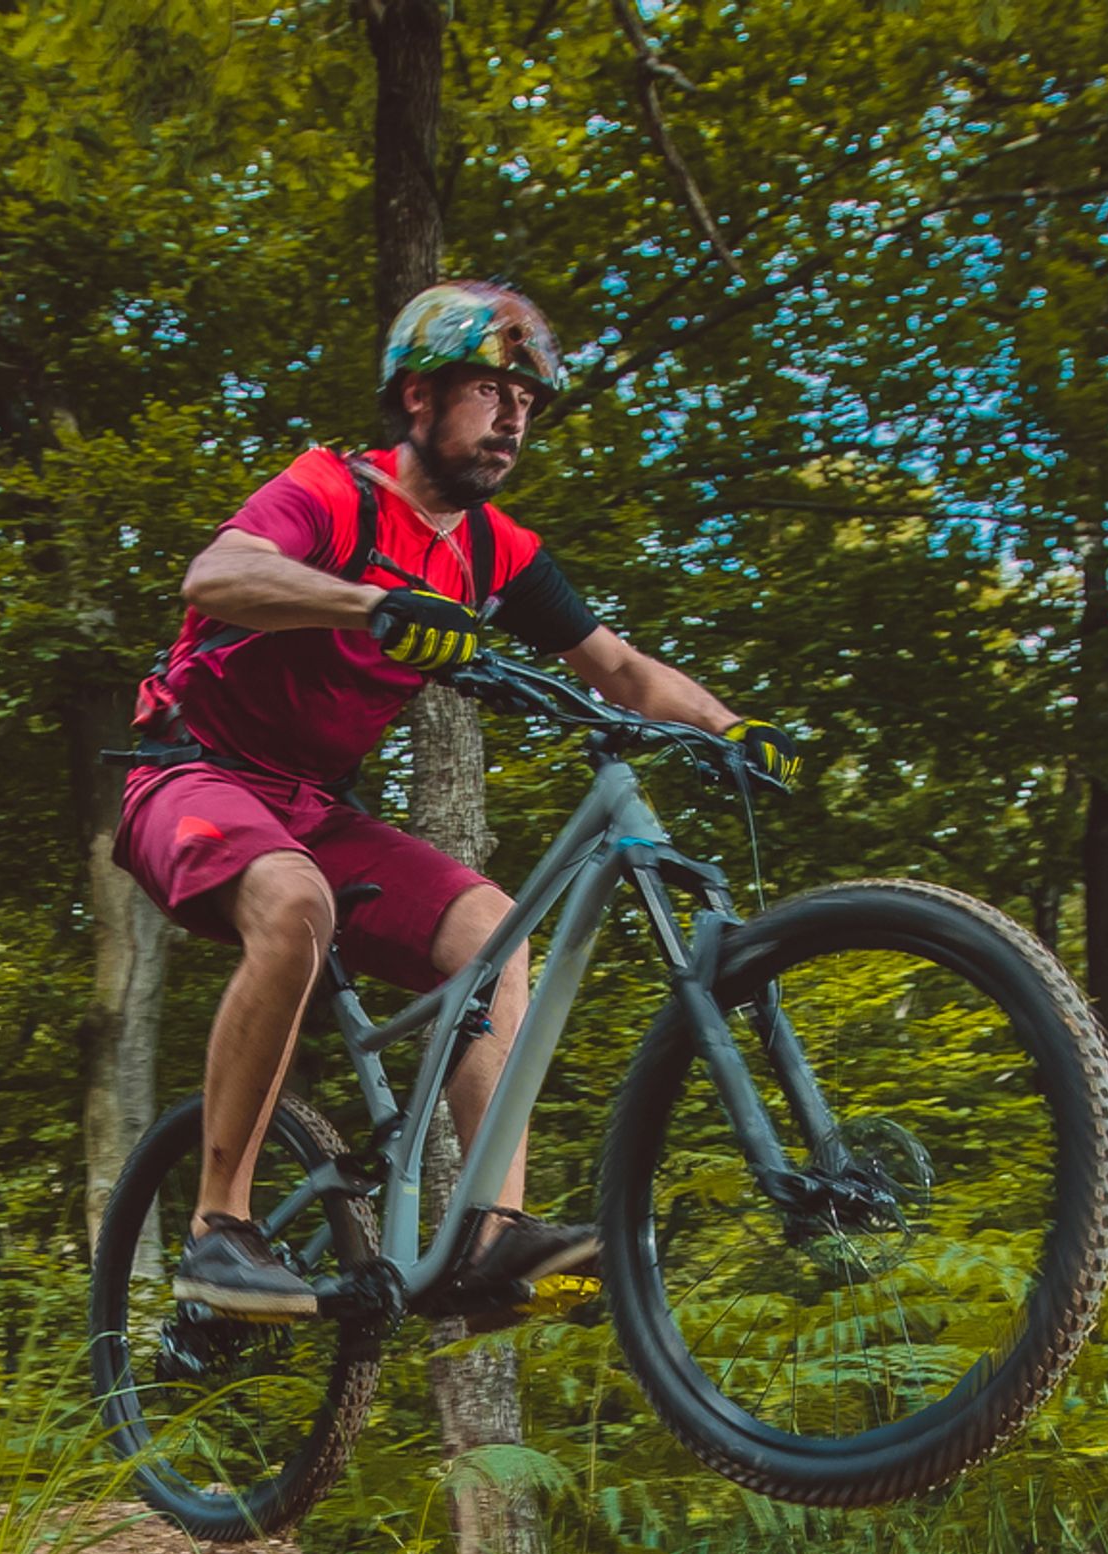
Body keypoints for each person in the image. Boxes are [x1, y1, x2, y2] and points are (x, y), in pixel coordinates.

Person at [111, 278, 800, 1322]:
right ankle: (220, 1231)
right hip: (190, 772)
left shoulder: (492, 551)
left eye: (527, 402)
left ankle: (487, 1234)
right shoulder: (331, 491)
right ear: (419, 399)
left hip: (312, 804)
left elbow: (614, 666)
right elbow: (218, 576)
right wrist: (374, 602)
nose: (513, 415)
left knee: (493, 925)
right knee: (297, 902)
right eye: (490, 389)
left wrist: (729, 728)